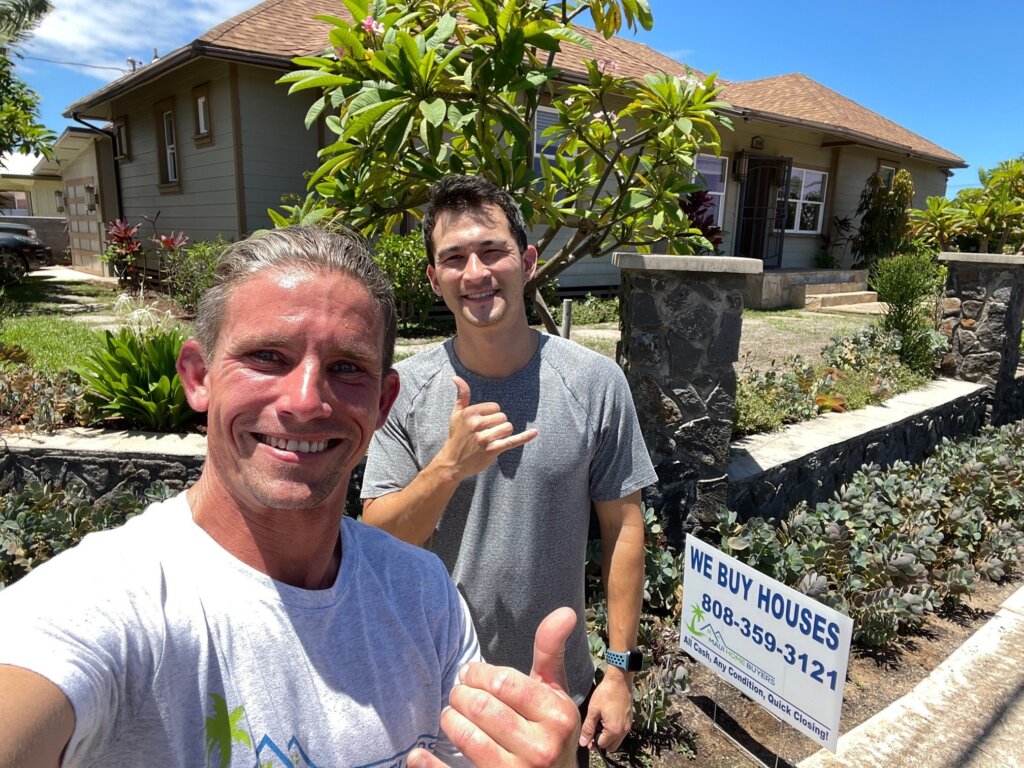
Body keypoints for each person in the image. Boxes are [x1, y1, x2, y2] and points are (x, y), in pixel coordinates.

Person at [0, 226, 579, 768]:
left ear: (382, 403)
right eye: (266, 357)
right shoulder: (109, 601)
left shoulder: (423, 595)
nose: (305, 401)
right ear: (199, 376)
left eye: (346, 367)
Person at [361, 175, 657, 760]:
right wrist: (449, 466)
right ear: (434, 278)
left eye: (491, 250)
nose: (475, 272)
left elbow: (623, 527)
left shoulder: (594, 384)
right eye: (454, 258)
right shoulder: (406, 390)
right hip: (434, 686)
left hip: (550, 687)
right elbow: (377, 541)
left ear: (525, 260)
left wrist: (619, 670)